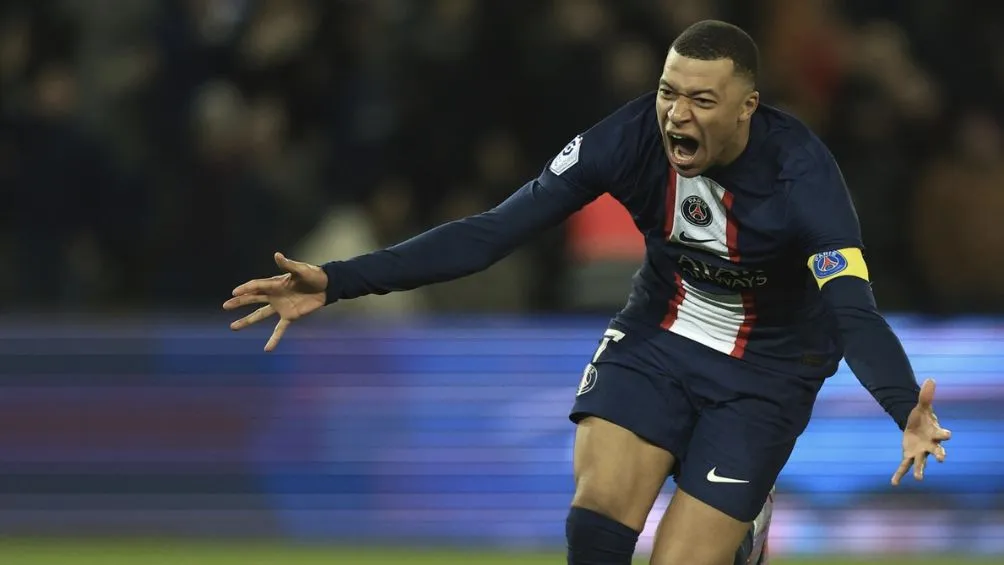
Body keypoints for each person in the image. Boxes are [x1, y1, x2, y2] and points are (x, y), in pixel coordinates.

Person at [223, 20, 951, 565]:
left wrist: (903, 412)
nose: (677, 114)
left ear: (747, 107)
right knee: (598, 515)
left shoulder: (804, 178)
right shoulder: (626, 138)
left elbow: (851, 308)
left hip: (767, 373)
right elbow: (492, 232)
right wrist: (341, 279)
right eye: (668, 92)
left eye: (701, 99)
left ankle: (742, 526)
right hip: (659, 337)